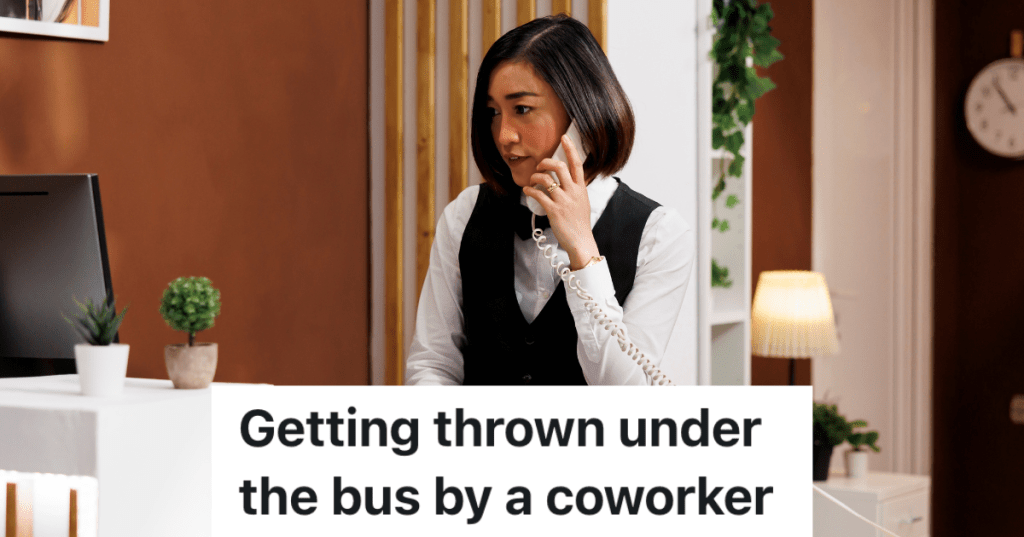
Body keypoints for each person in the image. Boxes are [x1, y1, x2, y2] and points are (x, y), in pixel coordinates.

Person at [405, 14, 694, 386]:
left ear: (582, 113)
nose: (503, 135)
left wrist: (581, 248)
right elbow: (432, 364)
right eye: (494, 113)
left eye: (522, 109)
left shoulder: (662, 236)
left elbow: (626, 397)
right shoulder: (464, 215)